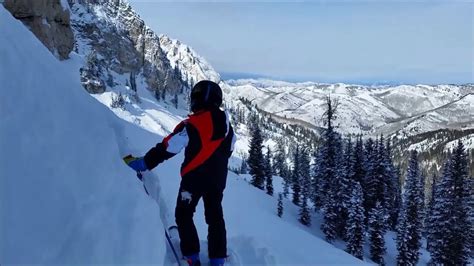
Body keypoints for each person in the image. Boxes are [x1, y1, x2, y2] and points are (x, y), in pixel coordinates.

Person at [126, 80, 236, 266]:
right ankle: (217, 260)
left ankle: (192, 257)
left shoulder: (191, 125)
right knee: (215, 217)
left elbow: (168, 148)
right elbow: (230, 149)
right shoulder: (227, 127)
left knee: (184, 214)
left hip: (193, 180)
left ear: (196, 99)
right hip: (218, 180)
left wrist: (144, 163)